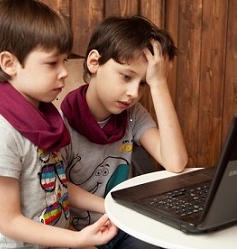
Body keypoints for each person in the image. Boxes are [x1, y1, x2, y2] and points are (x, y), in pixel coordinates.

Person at [0, 0, 117, 248]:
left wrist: (108, 206)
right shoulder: (2, 134)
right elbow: (9, 221)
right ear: (9, 63)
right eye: (51, 63)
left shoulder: (47, 120)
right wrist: (77, 239)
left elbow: (57, 184)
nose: (65, 72)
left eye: (64, 61)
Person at [61, 15, 188, 249]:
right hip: (74, 232)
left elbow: (175, 161)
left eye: (142, 84)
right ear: (94, 62)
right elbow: (59, 186)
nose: (133, 93)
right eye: (126, 77)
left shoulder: (133, 114)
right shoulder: (59, 121)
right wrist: (112, 206)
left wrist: (159, 84)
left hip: (123, 227)